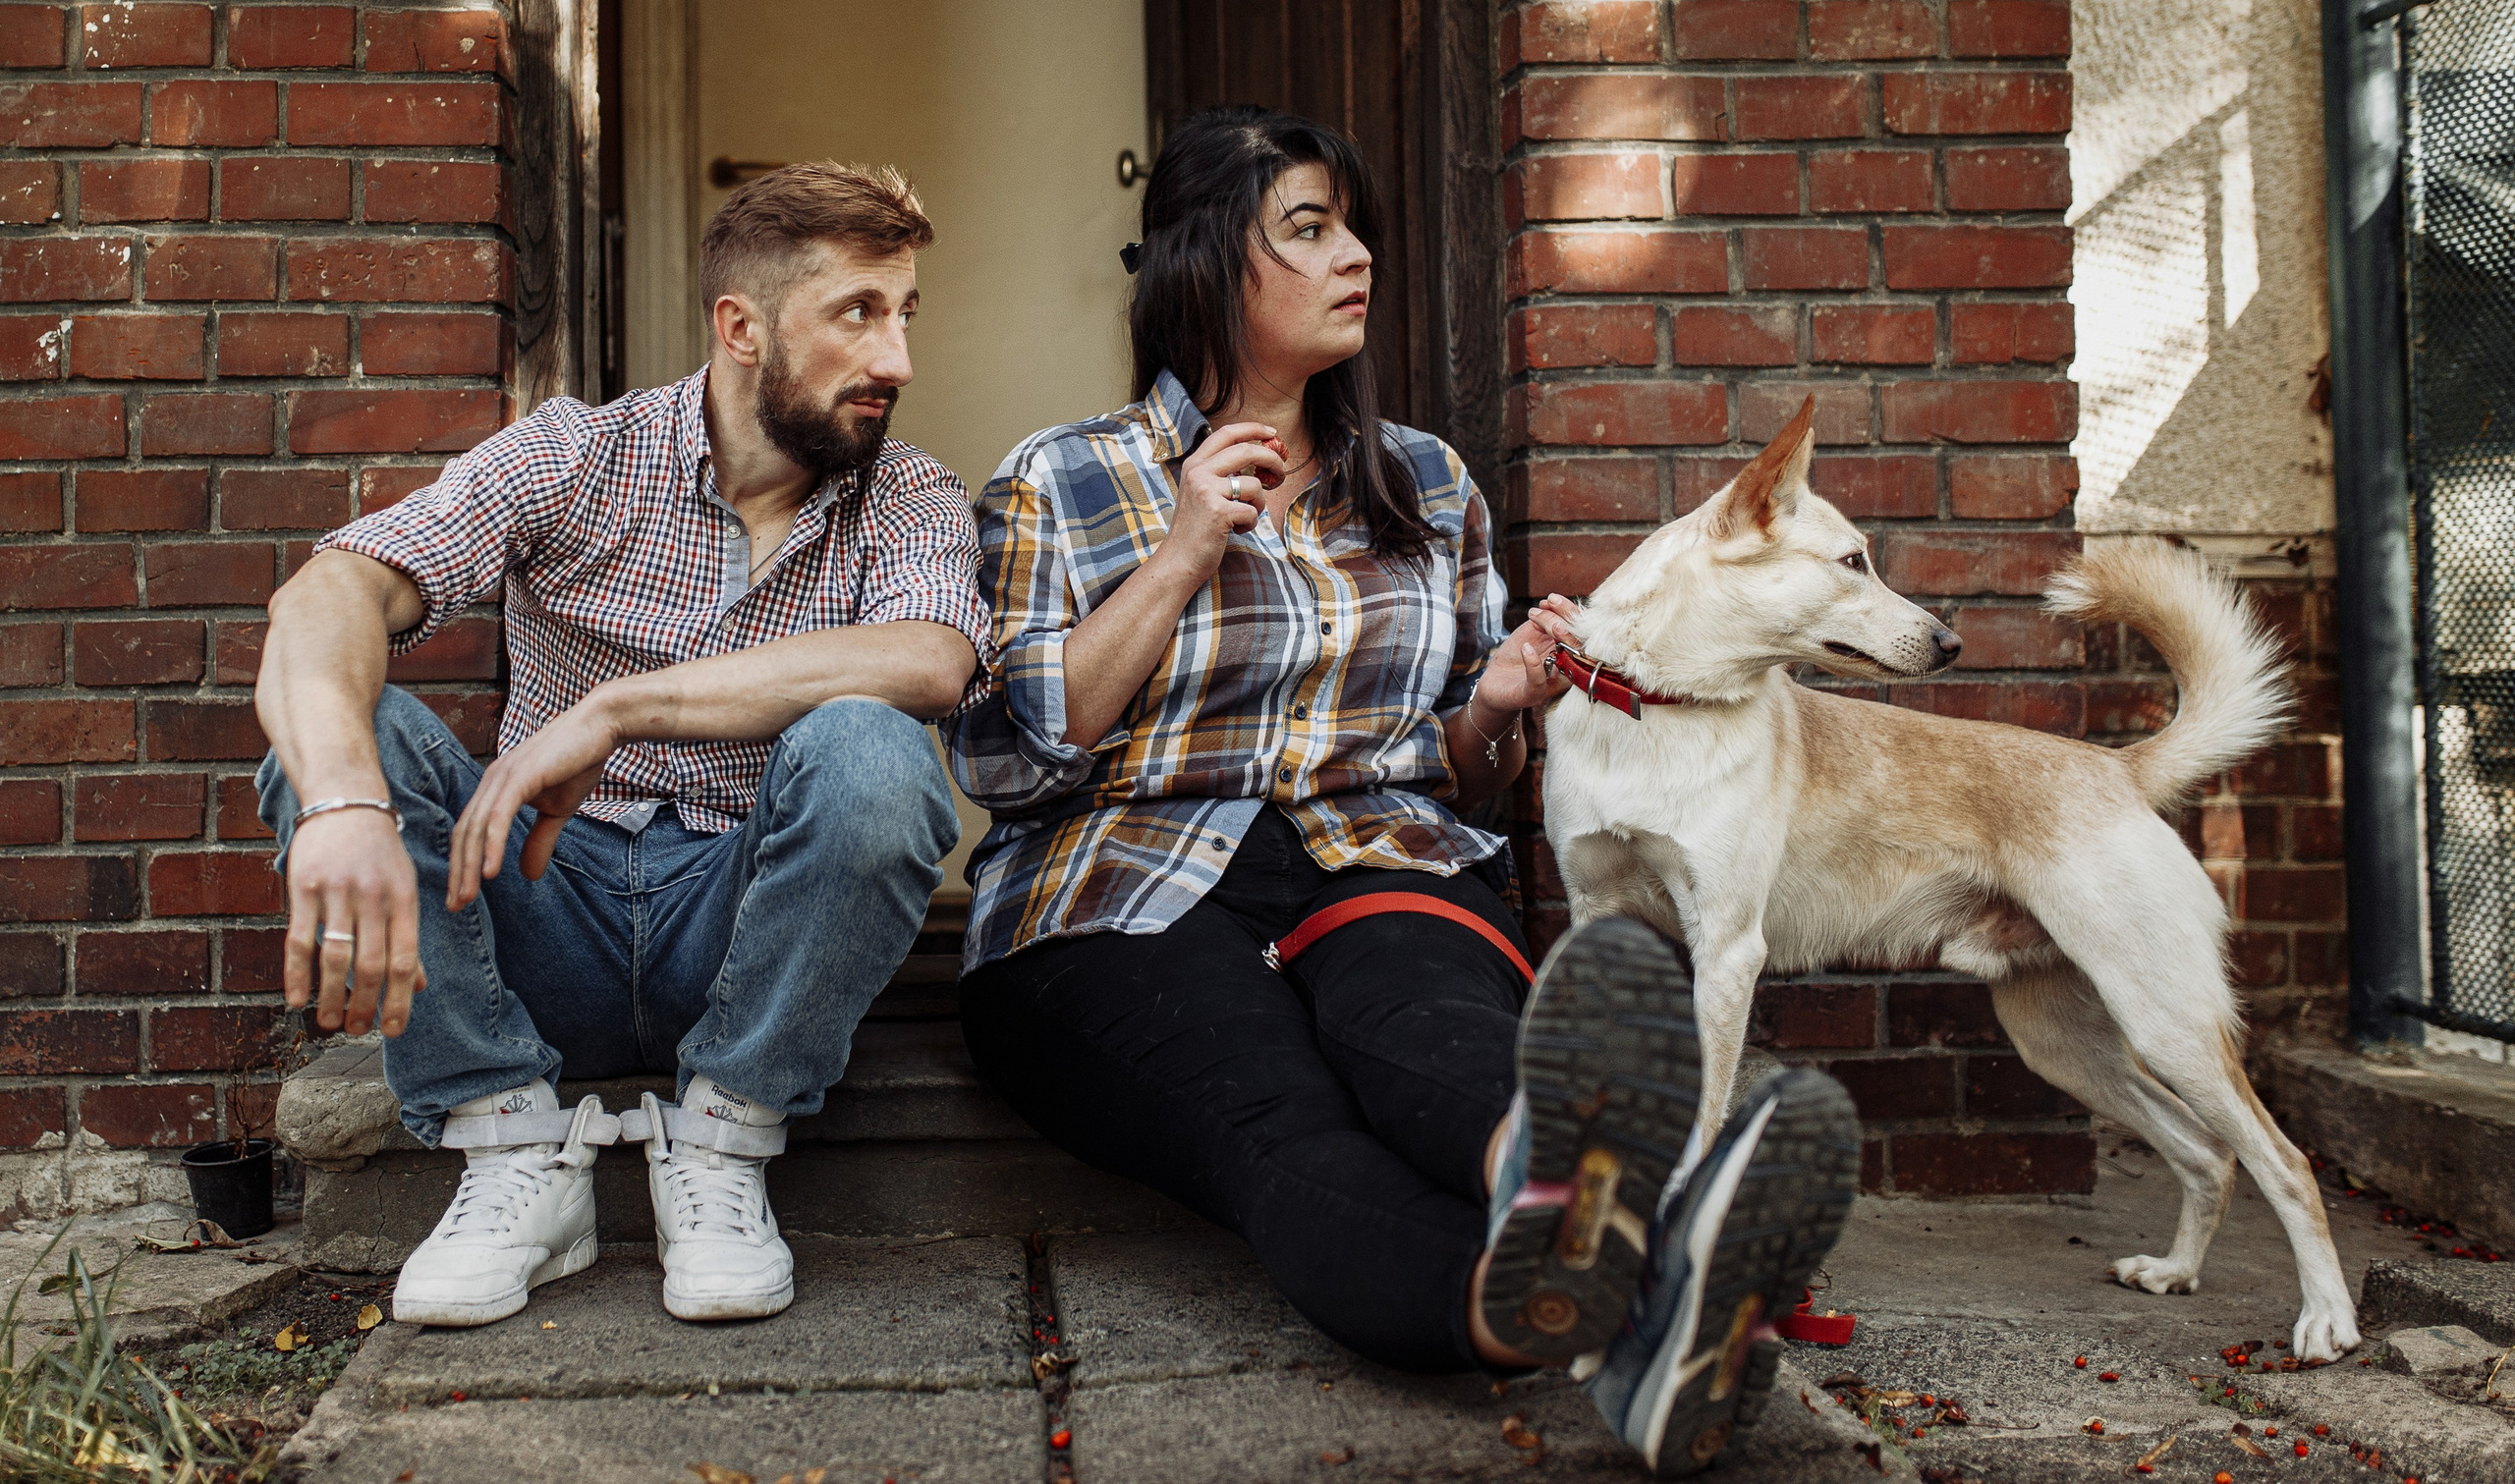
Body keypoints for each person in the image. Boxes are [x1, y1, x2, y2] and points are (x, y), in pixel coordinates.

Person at [945, 107, 1861, 1474]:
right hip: (1116, 884)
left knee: (1441, 1046)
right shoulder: (1063, 476)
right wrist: (1183, 546)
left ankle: (1606, 1227)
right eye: (1309, 229)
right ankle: (1586, 1297)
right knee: (1275, 1118)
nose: (1357, 255)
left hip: (1377, 851)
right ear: (1206, 262)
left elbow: (1468, 788)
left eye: (1352, 226)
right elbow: (1006, 760)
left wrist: (1493, 710)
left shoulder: (1425, 482)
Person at [254, 163, 984, 1328]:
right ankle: (509, 1147)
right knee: (355, 732)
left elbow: (931, 661)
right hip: (535, 914)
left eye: (904, 314)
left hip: (740, 930)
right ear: (741, 328)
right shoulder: (579, 455)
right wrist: (343, 804)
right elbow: (332, 591)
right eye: (857, 313)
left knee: (875, 752)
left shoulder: (907, 496)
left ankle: (726, 1139)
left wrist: (618, 708)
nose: (895, 358)